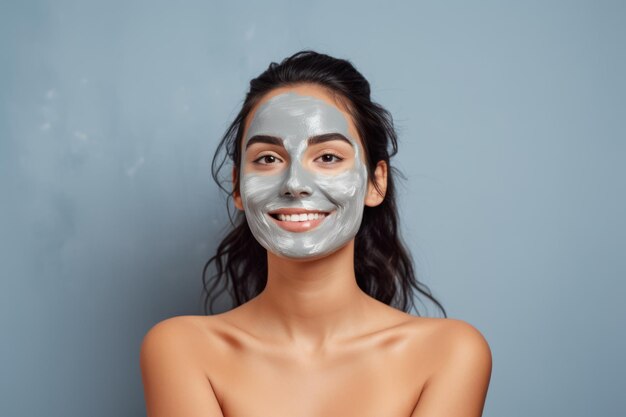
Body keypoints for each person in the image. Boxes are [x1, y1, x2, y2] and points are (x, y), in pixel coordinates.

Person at [140, 50, 492, 417]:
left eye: (327, 158)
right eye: (268, 159)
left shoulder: (449, 353)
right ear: (239, 187)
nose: (294, 184)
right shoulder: (181, 349)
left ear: (375, 181)